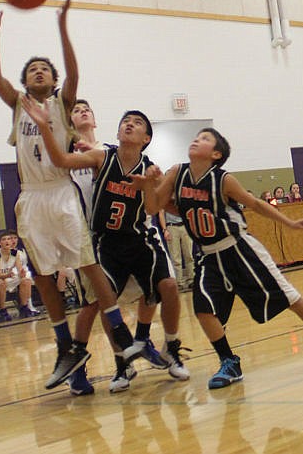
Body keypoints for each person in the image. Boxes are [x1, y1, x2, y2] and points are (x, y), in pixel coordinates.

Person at [131, 127, 303, 389]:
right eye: (197, 136)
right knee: (203, 309)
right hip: (209, 256)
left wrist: (289, 222)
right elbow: (153, 207)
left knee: (288, 296)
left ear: (216, 154)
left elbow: (255, 204)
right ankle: (229, 362)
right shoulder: (177, 173)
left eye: (205, 138)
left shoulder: (224, 180)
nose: (196, 140)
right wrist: (147, 185)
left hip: (238, 248)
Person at [0, 0, 141, 390]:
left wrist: (63, 28)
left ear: (52, 81)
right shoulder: (18, 104)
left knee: (87, 264)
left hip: (60, 191)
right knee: (42, 274)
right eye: (32, 70)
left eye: (44, 69)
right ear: (26, 82)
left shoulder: (62, 103)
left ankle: (121, 333)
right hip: (30, 196)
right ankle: (65, 346)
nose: (39, 72)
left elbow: (73, 72)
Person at [22, 97, 190, 392]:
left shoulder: (149, 168)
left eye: (137, 122)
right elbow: (61, 160)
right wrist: (43, 127)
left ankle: (160, 344)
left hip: (138, 236)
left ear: (146, 138)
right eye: (126, 121)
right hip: (99, 239)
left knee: (164, 287)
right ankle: (116, 362)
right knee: (99, 301)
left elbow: (155, 207)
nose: (129, 124)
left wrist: (151, 186)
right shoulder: (99, 155)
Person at [67, 99, 167, 395]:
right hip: (87, 234)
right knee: (94, 304)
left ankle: (139, 344)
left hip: (124, 234)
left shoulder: (112, 150)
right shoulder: (68, 155)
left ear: (96, 120)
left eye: (87, 109)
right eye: (76, 110)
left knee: (152, 286)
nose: (83, 112)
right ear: (69, 122)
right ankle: (81, 367)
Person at [0, 230, 33, 321]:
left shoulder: (15, 253)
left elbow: (19, 269)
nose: (7, 241)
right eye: (4, 239)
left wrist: (22, 273)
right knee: (2, 283)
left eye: (9, 239)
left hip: (7, 276)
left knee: (26, 280)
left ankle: (24, 307)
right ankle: (2, 310)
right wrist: (8, 275)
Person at [159, 209, 194, 291]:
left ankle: (191, 280)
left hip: (185, 226)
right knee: (175, 258)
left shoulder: (182, 200)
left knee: (189, 255)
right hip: (171, 227)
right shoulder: (166, 200)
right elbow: (161, 213)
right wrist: (165, 230)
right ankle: (179, 282)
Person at [8, 229, 40, 316]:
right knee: (25, 280)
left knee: (29, 278)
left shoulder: (22, 250)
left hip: (24, 271)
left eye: (15, 238)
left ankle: (29, 306)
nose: (13, 240)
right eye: (11, 238)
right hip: (12, 274)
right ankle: (26, 306)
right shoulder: (5, 252)